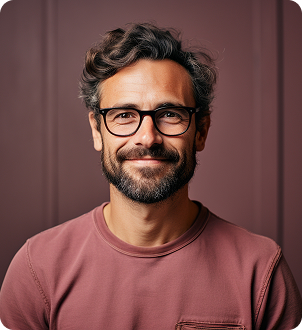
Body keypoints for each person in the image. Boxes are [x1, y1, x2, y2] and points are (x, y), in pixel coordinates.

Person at [0, 23, 301, 330]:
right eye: (124, 115)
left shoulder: (261, 271)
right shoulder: (36, 270)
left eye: (170, 114)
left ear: (201, 131)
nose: (147, 138)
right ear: (96, 130)